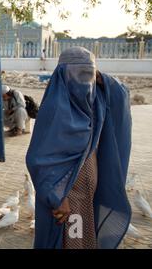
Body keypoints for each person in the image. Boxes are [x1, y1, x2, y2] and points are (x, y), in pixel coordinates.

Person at [26, 46, 132, 249]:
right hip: (66, 198)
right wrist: (57, 197)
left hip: (87, 196)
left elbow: (121, 96)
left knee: (83, 240)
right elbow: (38, 158)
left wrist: (102, 78)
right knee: (71, 240)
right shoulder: (56, 108)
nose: (85, 82)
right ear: (64, 76)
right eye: (79, 75)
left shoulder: (94, 103)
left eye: (89, 75)